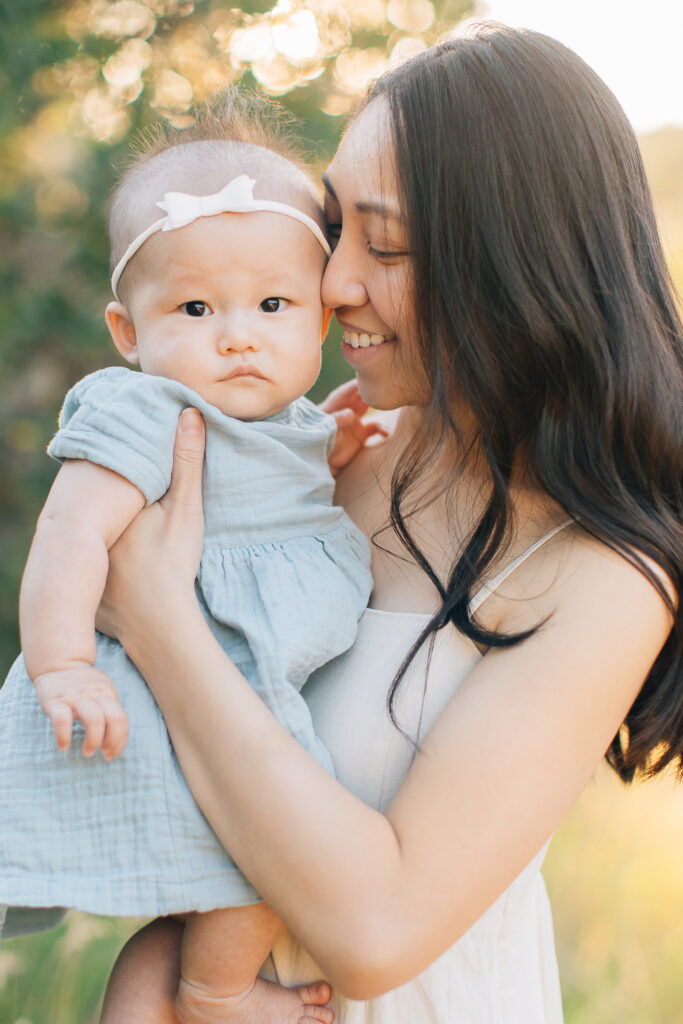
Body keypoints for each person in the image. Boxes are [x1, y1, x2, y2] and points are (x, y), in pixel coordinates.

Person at [35, 19, 683, 1024]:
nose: (331, 285)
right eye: (333, 230)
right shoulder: (315, 460)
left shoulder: (602, 572)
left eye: (382, 244)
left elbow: (375, 930)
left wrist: (156, 620)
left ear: (510, 264)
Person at [0, 97, 384, 1024]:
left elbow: (262, 506)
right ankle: (216, 993)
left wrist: (316, 463)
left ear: (319, 319)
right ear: (129, 333)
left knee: (271, 848)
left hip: (236, 684)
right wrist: (61, 664)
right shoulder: (141, 413)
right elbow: (71, 536)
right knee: (282, 848)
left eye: (272, 304)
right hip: (176, 695)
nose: (238, 333)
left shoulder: (287, 426)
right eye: (196, 307)